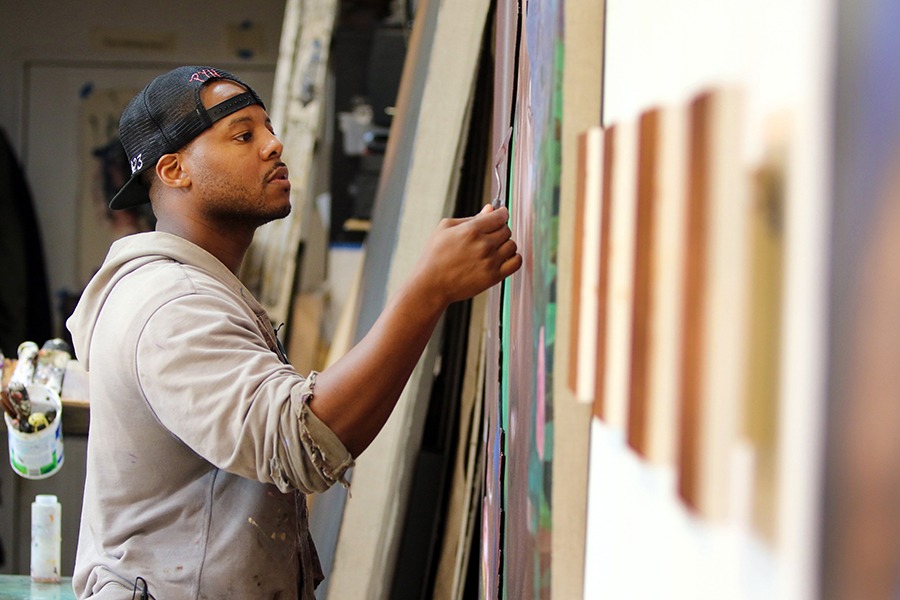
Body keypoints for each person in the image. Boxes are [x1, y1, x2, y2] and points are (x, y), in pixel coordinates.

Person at [66, 65, 521, 599]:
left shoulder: (194, 288)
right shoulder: (174, 304)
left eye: (268, 127)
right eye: (243, 135)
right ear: (173, 170)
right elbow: (300, 441)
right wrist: (427, 292)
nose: (274, 145)